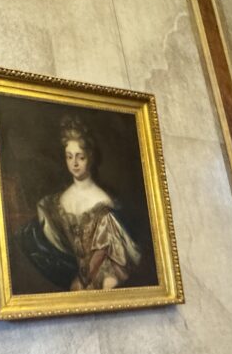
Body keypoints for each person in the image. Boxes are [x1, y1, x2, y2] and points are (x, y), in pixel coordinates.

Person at [18, 114, 142, 291]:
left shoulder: (102, 201)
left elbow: (107, 254)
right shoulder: (56, 202)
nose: (74, 163)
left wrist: (84, 279)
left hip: (101, 277)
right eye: (69, 157)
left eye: (80, 157)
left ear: (90, 157)